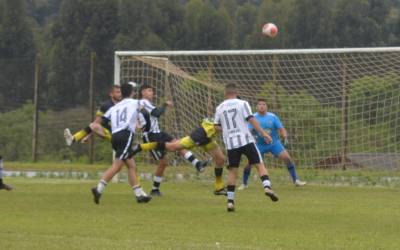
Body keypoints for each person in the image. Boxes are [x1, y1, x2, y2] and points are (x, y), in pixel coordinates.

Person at [214, 84, 278, 212]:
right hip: (246, 140)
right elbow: (251, 119)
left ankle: (230, 202)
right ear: (236, 92)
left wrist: (226, 129)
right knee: (259, 164)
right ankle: (267, 187)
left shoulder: (219, 107)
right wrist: (264, 133)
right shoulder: (242, 103)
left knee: (233, 171)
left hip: (231, 143)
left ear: (225, 93)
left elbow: (216, 126)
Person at [138, 84, 209, 196]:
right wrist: (165, 104)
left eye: (152, 90)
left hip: (158, 133)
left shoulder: (147, 103)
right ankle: (154, 189)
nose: (152, 92)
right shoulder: (143, 102)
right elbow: (156, 113)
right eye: (149, 90)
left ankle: (197, 164)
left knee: (178, 144)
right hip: (150, 136)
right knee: (163, 162)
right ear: (142, 92)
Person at [91, 83, 151, 204]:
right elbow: (145, 112)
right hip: (125, 135)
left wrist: (108, 130)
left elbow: (103, 121)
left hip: (115, 136)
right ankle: (98, 189)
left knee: (131, 166)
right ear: (132, 92)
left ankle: (139, 195)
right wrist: (146, 126)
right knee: (117, 166)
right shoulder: (135, 102)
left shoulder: (115, 107)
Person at [132, 118, 227, 195]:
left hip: (209, 137)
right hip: (201, 134)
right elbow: (216, 125)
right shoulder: (224, 110)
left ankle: (219, 188)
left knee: (221, 159)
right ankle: (140, 147)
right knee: (173, 147)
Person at [238, 99, 306, 190]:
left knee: (287, 158)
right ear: (257, 107)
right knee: (249, 163)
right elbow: (249, 131)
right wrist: (255, 137)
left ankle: (296, 180)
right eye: (259, 104)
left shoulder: (273, 117)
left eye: (264, 104)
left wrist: (284, 135)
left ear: (266, 106)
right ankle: (244, 183)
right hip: (259, 144)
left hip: (274, 143)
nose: (262, 106)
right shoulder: (253, 117)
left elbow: (281, 129)